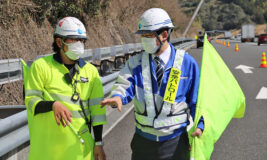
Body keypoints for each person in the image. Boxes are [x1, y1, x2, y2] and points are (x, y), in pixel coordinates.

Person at [100, 8, 204, 160]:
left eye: (148, 35)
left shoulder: (186, 64)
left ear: (164, 35)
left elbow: (197, 100)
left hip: (176, 143)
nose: (144, 40)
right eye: (143, 36)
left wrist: (200, 125)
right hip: (143, 144)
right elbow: (124, 84)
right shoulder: (135, 63)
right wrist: (117, 97)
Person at [25, 17, 107, 160]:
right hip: (48, 152)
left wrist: (98, 143)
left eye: (82, 41)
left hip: (81, 151)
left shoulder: (91, 72)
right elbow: (31, 101)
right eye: (74, 40)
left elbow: (97, 111)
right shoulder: (41, 67)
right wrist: (53, 105)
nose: (79, 44)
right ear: (59, 42)